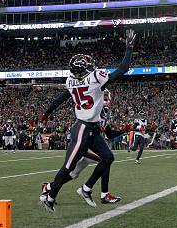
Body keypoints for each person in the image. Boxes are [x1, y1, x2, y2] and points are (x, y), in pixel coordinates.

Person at [39, 29, 136, 213]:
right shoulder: (95, 78)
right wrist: (129, 48)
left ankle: (86, 188)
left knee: (108, 158)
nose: (92, 66)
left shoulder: (71, 81)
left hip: (91, 129)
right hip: (82, 129)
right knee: (68, 168)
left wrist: (46, 113)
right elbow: (123, 69)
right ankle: (50, 196)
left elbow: (60, 98)